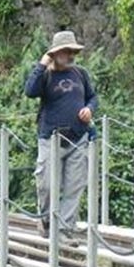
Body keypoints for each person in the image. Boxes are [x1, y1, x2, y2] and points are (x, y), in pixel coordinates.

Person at [25, 30, 98, 239]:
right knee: (46, 184)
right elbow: (30, 91)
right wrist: (42, 64)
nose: (70, 56)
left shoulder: (80, 73)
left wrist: (90, 109)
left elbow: (92, 97)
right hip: (51, 137)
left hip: (78, 136)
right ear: (55, 54)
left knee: (74, 185)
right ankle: (46, 219)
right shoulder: (46, 75)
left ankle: (65, 230)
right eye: (65, 51)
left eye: (71, 51)